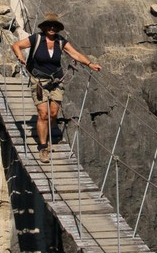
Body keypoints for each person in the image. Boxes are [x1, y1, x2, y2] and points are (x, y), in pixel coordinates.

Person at [11, 13, 101, 163]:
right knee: (43, 113)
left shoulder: (60, 41)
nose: (52, 28)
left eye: (54, 26)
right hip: (39, 81)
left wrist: (90, 64)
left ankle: (46, 135)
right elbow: (16, 45)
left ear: (57, 29)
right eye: (49, 25)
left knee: (53, 114)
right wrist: (20, 56)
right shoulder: (37, 39)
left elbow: (75, 54)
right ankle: (43, 147)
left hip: (57, 81)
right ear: (45, 27)